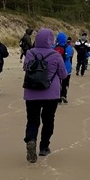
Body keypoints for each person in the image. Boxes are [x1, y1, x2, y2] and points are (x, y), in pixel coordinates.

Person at [22, 28, 68, 162]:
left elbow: (26, 68)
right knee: (48, 120)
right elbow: (63, 75)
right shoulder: (55, 55)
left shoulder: (30, 53)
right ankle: (44, 147)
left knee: (32, 120)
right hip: (51, 94)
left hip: (31, 92)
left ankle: (31, 140)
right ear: (50, 40)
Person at [54, 32, 74, 103]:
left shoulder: (54, 47)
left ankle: (58, 96)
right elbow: (70, 55)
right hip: (67, 68)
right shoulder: (69, 48)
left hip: (56, 68)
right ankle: (64, 95)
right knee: (65, 83)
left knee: (57, 83)